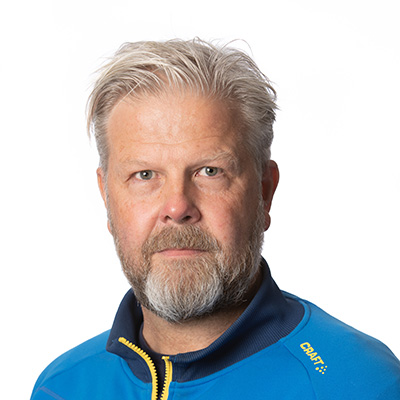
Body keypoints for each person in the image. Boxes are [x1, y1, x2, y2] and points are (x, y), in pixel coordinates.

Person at [31, 39, 400, 400]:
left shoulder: (359, 385)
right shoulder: (61, 387)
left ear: (264, 192)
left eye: (210, 171)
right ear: (107, 197)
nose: (177, 207)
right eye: (144, 175)